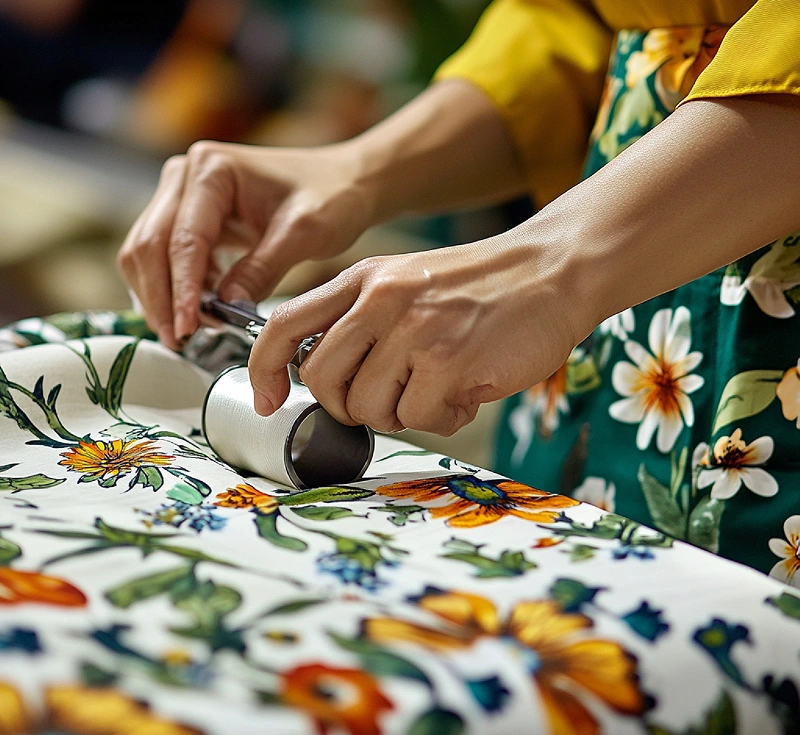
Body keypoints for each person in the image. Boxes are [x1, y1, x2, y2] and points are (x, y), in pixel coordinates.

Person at [118, 0, 800, 583]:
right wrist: (357, 172)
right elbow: (572, 22)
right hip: (599, 342)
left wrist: (551, 267)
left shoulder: (558, 279)